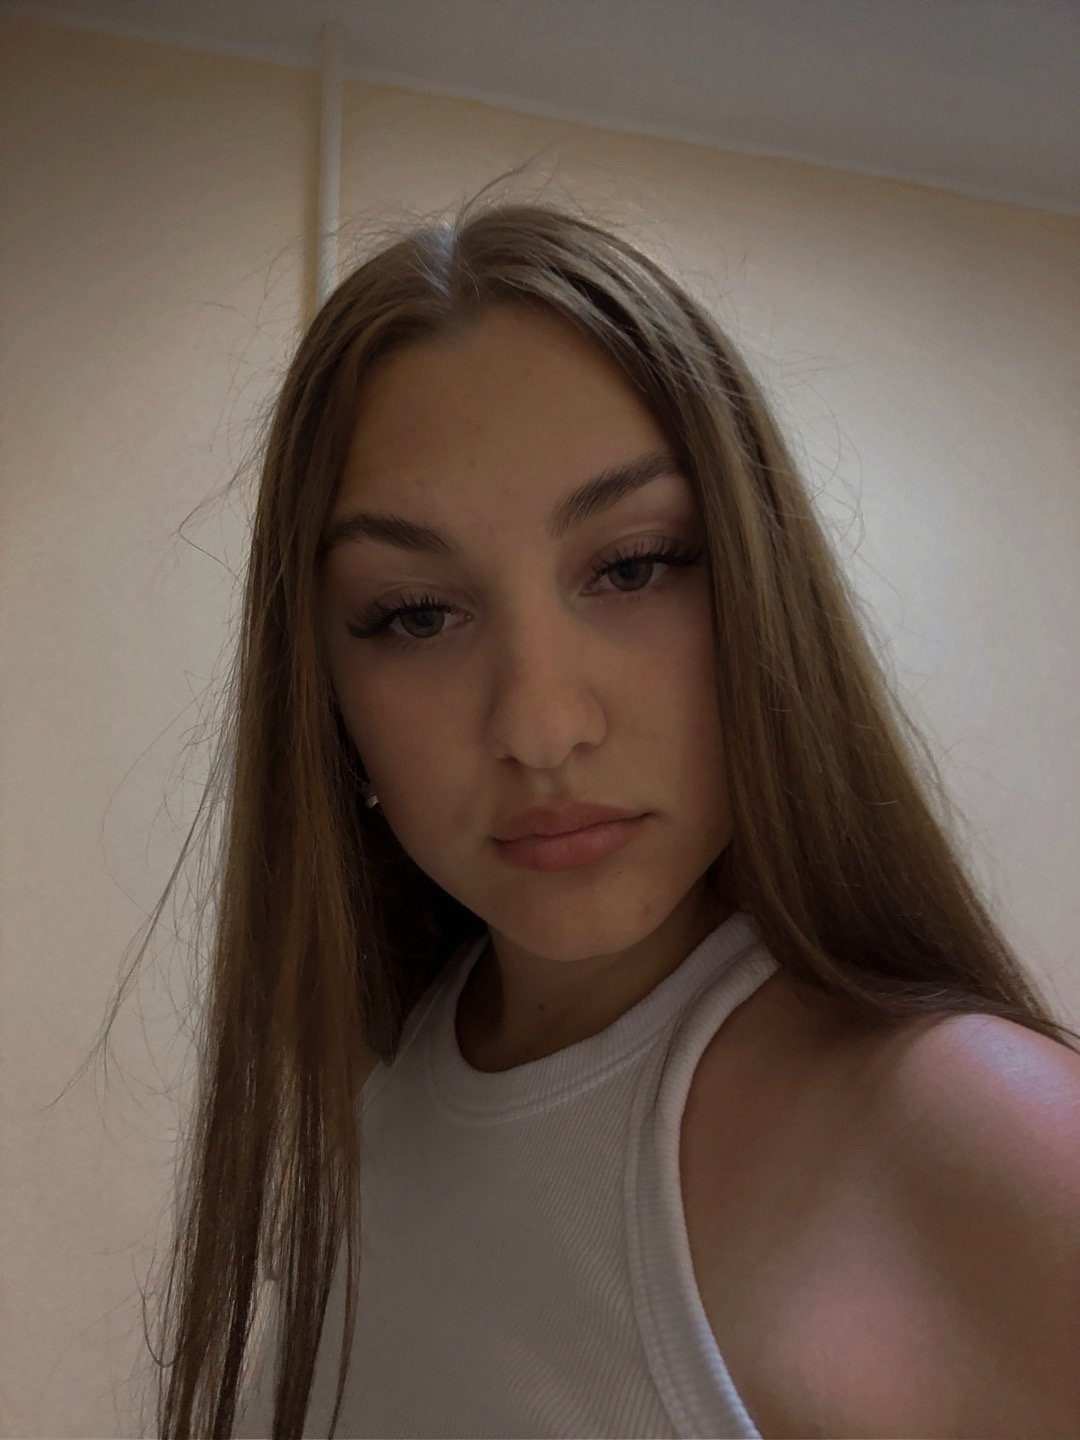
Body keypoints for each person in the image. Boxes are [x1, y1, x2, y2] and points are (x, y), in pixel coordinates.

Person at [119, 177, 1079, 1437]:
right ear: (325, 690)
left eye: (633, 567)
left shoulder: (976, 1135)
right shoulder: (382, 1084)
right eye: (416, 614)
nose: (541, 726)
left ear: (760, 590)